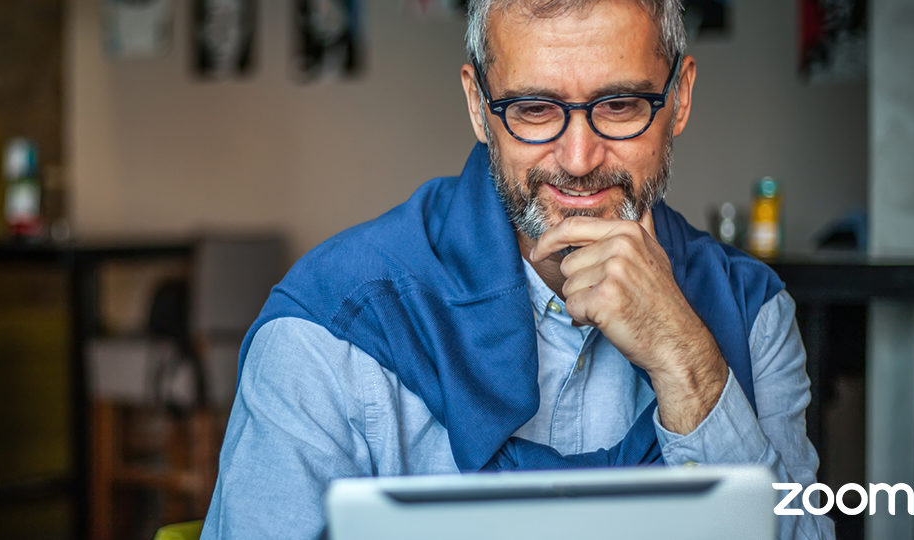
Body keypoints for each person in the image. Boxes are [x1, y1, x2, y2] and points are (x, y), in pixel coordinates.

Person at [201, 1, 834, 538]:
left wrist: (687, 362)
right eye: (533, 108)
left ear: (680, 98)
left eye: (618, 104)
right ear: (479, 107)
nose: (580, 159)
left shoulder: (751, 313)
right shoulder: (331, 326)